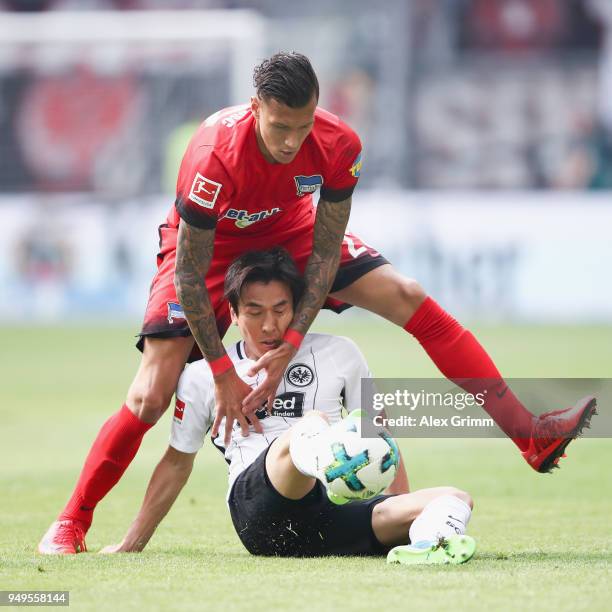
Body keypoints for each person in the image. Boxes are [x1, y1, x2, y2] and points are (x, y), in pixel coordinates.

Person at [39, 51, 595, 555]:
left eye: (302, 127)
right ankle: (72, 521)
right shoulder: (213, 154)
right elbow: (188, 270)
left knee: (408, 295)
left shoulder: (338, 145)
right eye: (280, 127)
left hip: (291, 233)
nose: (289, 142)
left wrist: (294, 343)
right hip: (208, 254)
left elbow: (326, 255)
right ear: (256, 106)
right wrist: (220, 371)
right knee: (149, 395)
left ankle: (530, 434)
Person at [99, 248, 476, 564]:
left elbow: (377, 435)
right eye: (254, 311)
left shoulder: (340, 353)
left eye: (281, 310)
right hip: (260, 516)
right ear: (232, 313)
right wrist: (132, 542)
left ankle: (431, 545)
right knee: (310, 424)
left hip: (329, 517)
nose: (269, 325)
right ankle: (336, 471)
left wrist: (394, 503)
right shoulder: (202, 378)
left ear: (299, 309)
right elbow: (177, 462)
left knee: (454, 499)